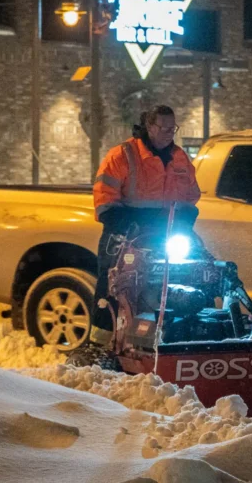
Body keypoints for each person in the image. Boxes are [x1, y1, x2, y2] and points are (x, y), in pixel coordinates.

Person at [71, 105, 200, 365]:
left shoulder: (180, 159)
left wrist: (186, 218)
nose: (167, 133)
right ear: (149, 126)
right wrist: (130, 224)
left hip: (164, 237)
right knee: (113, 288)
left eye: (171, 128)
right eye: (162, 128)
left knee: (174, 282)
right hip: (124, 236)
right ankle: (98, 346)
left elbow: (191, 196)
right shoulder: (123, 155)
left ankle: (159, 339)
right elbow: (105, 202)